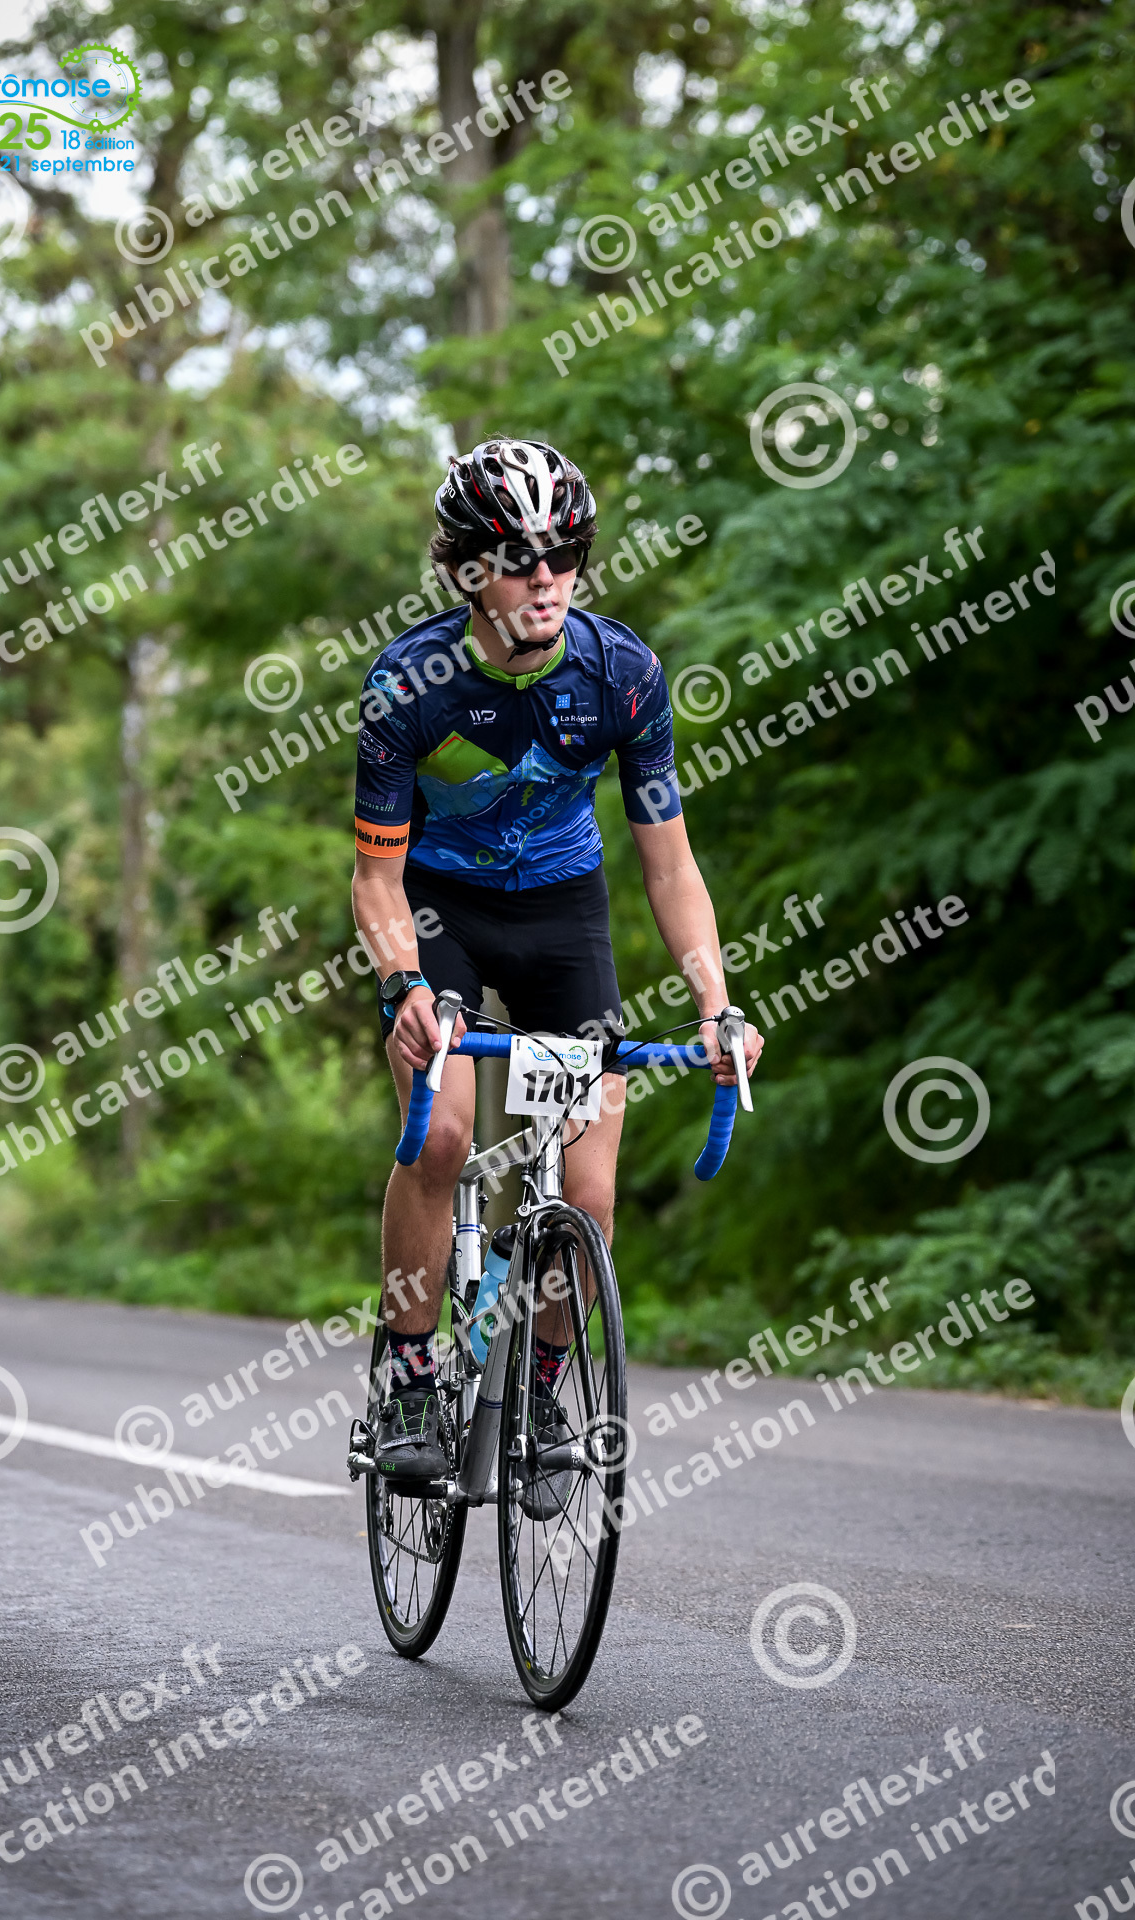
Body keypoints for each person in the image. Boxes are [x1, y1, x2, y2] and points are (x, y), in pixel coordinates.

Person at [351, 436, 761, 1484]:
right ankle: (409, 1371)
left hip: (563, 912)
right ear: (466, 572)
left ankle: (538, 1386)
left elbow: (669, 866)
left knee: (589, 1188)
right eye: (518, 557)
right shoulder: (409, 685)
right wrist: (404, 987)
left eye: (565, 553)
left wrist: (716, 1005)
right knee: (443, 1133)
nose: (547, 577)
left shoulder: (621, 675)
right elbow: (375, 882)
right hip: (440, 911)